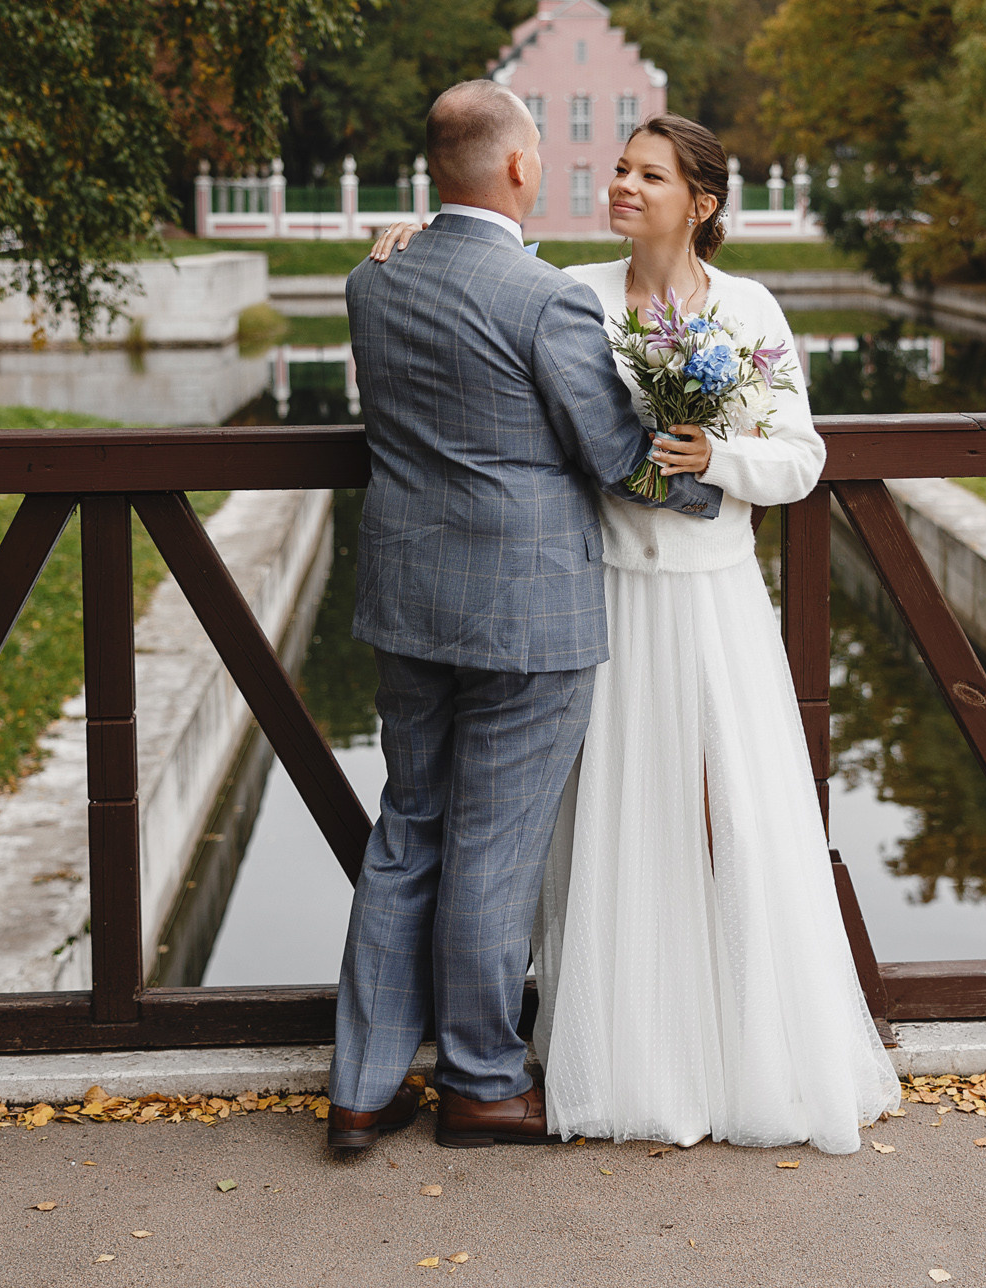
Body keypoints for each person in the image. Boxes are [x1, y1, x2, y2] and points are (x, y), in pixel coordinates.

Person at [363, 115, 901, 1156]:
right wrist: (409, 233)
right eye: (617, 168)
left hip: (713, 606)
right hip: (600, 599)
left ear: (700, 201)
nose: (621, 184)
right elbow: (491, 306)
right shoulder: (572, 292)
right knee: (601, 834)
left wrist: (717, 459)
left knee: (732, 823)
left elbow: (800, 458)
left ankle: (752, 1061)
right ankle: (625, 1064)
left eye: (647, 174)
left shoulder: (748, 308)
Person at [326, 81, 724, 1155]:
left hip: (408, 601)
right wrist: (713, 484)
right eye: (542, 150)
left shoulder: (374, 276)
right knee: (494, 850)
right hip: (527, 615)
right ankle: (482, 1083)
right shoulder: (542, 299)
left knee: (409, 831)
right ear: (514, 168)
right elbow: (612, 453)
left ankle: (360, 1089)